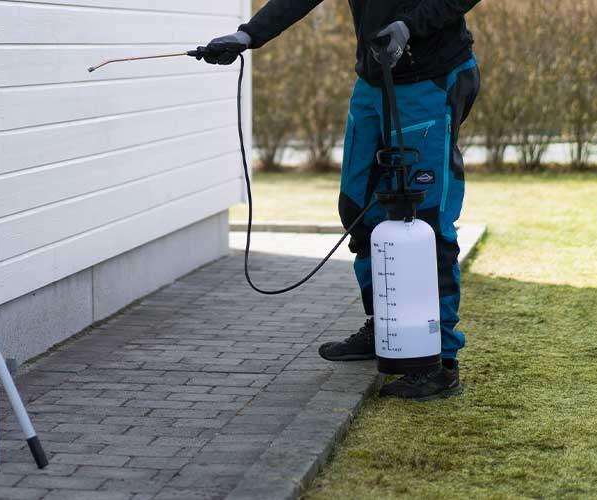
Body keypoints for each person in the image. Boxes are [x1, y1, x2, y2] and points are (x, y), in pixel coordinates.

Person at [200, 0, 481, 400]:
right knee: (358, 207)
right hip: (373, 80)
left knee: (425, 219)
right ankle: (383, 325)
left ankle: (441, 360)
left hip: (432, 79)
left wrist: (409, 26)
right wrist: (248, 35)